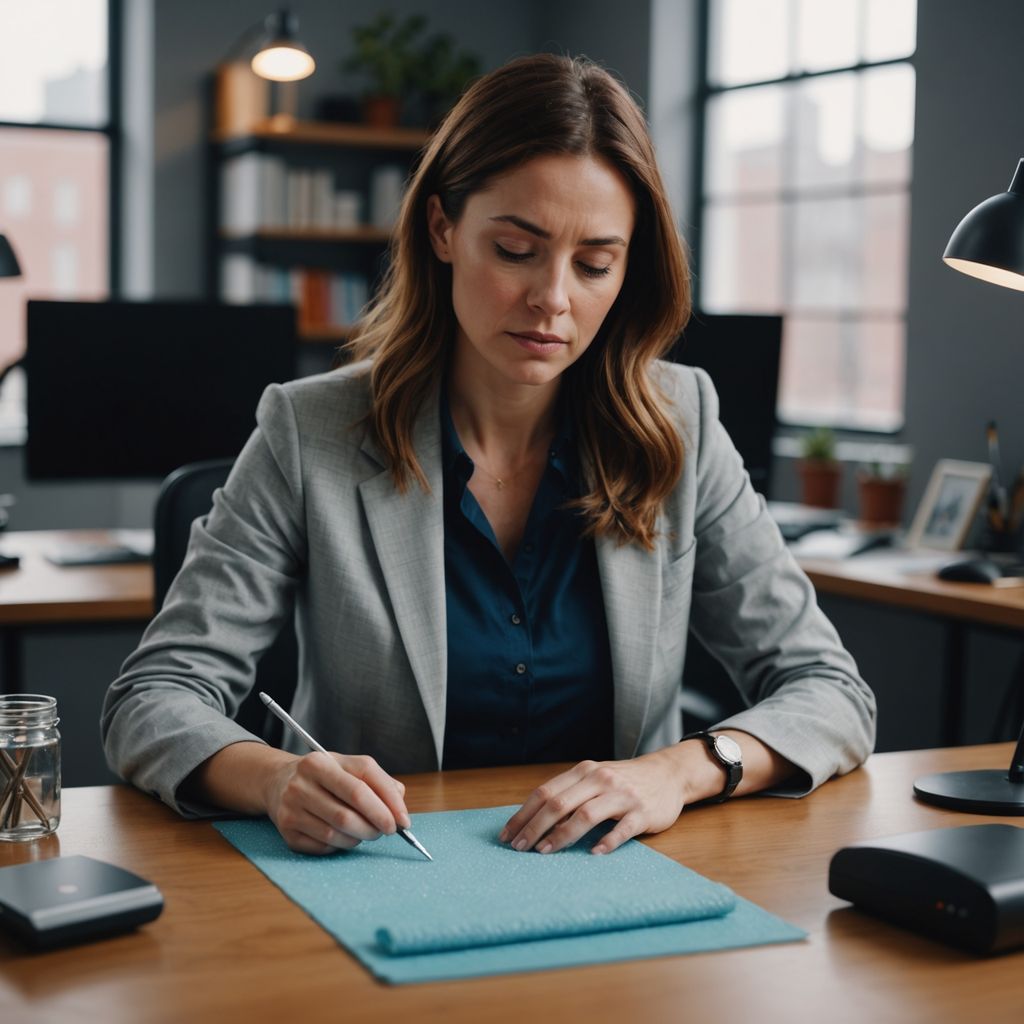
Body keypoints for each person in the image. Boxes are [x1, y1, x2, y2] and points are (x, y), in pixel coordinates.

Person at [102, 54, 875, 857]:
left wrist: (680, 770)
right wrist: (271, 777)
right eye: (515, 249)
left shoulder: (681, 422)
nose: (553, 298)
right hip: (380, 878)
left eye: (595, 264)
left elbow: (830, 691)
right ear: (443, 229)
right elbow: (152, 697)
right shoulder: (312, 431)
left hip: (620, 882)